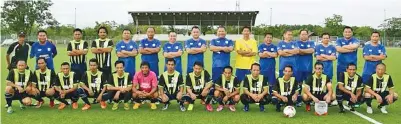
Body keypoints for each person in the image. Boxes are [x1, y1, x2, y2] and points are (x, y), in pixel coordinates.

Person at [277, 30, 301, 106]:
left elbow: (297, 51)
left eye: (291, 34)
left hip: (294, 67)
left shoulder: (295, 43)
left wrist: (286, 51)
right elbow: (280, 53)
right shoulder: (280, 43)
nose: (290, 36)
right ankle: (282, 100)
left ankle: (295, 99)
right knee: (281, 83)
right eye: (288, 34)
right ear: (284, 35)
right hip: (282, 66)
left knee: (294, 83)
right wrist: (291, 52)